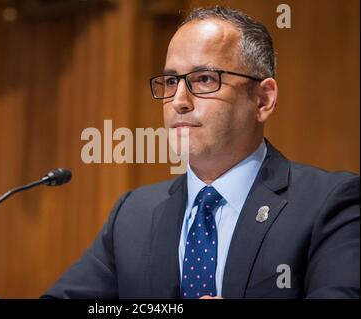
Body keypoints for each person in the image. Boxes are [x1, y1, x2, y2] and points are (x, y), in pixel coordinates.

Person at [43, 6, 359, 299]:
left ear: (262, 100)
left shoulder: (330, 205)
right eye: (170, 81)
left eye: (204, 79)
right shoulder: (132, 215)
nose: (179, 100)